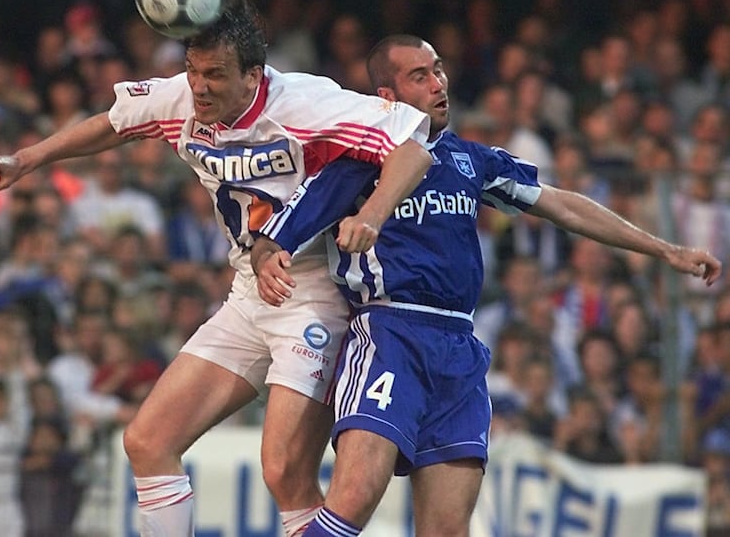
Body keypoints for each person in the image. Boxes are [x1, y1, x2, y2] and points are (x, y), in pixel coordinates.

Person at [0, 0, 432, 537]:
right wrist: (24, 159)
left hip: (313, 294)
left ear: (255, 75)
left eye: (214, 74)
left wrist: (374, 213)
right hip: (247, 293)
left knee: (284, 471)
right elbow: (111, 123)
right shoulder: (180, 99)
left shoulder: (306, 103)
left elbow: (412, 144)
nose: (199, 86)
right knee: (147, 441)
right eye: (192, 71)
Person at [251, 34, 722, 536]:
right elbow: (272, 234)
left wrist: (665, 249)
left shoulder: (471, 160)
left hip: (459, 351)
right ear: (386, 98)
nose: (438, 84)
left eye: (438, 70)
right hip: (390, 335)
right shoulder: (359, 162)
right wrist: (265, 259)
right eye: (419, 76)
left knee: (449, 530)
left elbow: (562, 204)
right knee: (354, 500)